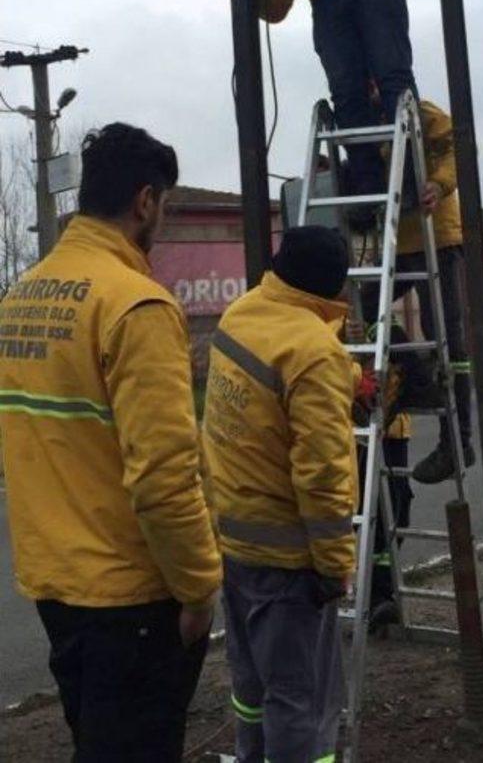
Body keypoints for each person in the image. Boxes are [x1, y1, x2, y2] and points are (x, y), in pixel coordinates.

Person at [0, 123, 221, 762]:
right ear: (145, 202)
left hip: (56, 585)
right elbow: (164, 476)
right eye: (165, 207)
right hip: (132, 599)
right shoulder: (136, 305)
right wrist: (200, 588)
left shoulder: (20, 296)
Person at [202, 225, 358, 763]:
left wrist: (347, 378)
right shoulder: (315, 352)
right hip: (290, 564)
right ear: (333, 289)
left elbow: (269, 394)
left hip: (235, 542)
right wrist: (335, 565)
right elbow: (322, 476)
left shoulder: (243, 312)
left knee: (252, 688)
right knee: (302, 701)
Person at [212, 0, 420, 221]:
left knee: (391, 72)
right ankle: (368, 189)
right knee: (347, 93)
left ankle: (409, 179)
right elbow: (276, 7)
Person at [362, 98, 476, 484]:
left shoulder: (421, 112)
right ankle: (416, 380)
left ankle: (457, 443)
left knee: (443, 331)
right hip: (398, 241)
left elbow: (457, 147)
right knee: (361, 311)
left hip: (437, 237)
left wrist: (439, 183)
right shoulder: (366, 119)